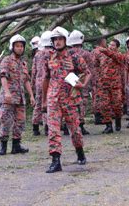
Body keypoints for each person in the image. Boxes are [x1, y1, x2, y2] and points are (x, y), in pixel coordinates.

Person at [42, 27, 92, 173]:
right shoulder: (49, 58)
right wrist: (44, 100)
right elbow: (46, 78)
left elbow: (87, 72)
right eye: (55, 39)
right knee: (53, 129)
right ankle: (55, 160)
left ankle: (80, 152)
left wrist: (82, 85)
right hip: (53, 98)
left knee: (75, 129)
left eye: (60, 39)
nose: (57, 42)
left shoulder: (74, 57)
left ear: (65, 40)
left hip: (70, 99)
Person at [0, 34, 34, 155]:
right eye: (17, 46)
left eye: (22, 46)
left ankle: (16, 146)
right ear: (12, 47)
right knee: (5, 121)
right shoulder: (6, 60)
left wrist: (32, 96)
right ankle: (3, 146)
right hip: (8, 97)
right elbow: (3, 77)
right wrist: (7, 93)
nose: (20, 48)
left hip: (20, 98)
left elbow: (26, 80)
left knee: (20, 122)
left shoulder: (23, 63)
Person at [93, 37, 125, 133]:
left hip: (115, 85)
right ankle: (108, 125)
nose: (110, 47)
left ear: (117, 47)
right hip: (103, 85)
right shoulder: (102, 55)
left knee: (117, 105)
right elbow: (96, 65)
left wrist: (105, 50)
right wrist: (98, 78)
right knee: (104, 105)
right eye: (109, 44)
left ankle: (118, 120)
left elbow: (115, 57)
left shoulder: (119, 56)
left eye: (113, 45)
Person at [67, 30, 93, 135]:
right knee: (82, 103)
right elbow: (90, 70)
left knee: (69, 102)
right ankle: (81, 125)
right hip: (82, 82)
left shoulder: (67, 53)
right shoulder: (86, 53)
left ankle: (66, 125)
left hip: (68, 81)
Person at [31, 31, 54, 136]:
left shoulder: (37, 54)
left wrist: (32, 84)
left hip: (38, 82)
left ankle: (35, 127)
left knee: (38, 104)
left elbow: (33, 71)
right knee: (48, 104)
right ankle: (47, 127)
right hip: (49, 81)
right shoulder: (53, 53)